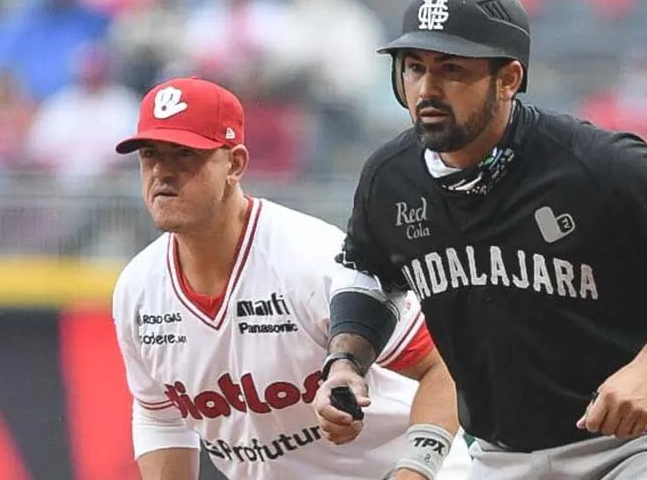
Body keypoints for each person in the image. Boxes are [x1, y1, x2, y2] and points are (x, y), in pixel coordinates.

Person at [312, 0, 647, 480]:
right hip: (503, 456)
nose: (428, 88)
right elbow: (369, 273)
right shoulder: (390, 178)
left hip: (637, 445)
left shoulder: (597, 165)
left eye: (452, 70)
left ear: (508, 79)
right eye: (414, 68)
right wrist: (346, 362)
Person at [110, 76, 470, 480]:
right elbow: (159, 415)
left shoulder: (311, 260)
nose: (162, 172)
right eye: (149, 155)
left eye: (184, 154)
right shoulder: (138, 291)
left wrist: (415, 471)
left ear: (235, 164)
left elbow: (443, 366)